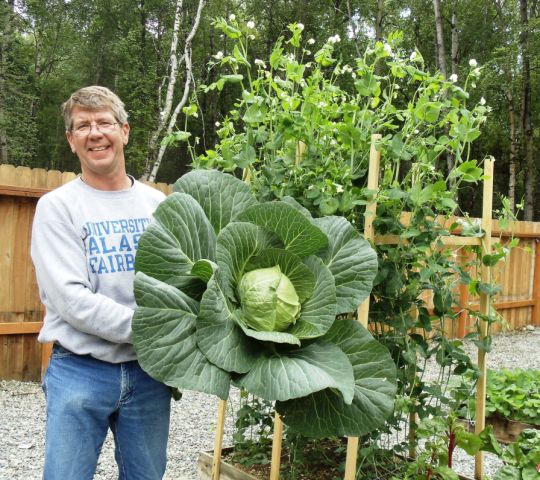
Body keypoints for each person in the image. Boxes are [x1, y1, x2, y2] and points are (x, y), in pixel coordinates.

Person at [31, 86, 172, 480]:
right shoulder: (57, 208)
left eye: (104, 122)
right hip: (80, 370)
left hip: (149, 373)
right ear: (71, 140)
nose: (95, 133)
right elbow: (73, 301)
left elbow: (180, 284)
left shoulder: (156, 205)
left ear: (124, 131)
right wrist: (156, 330)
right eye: (82, 126)